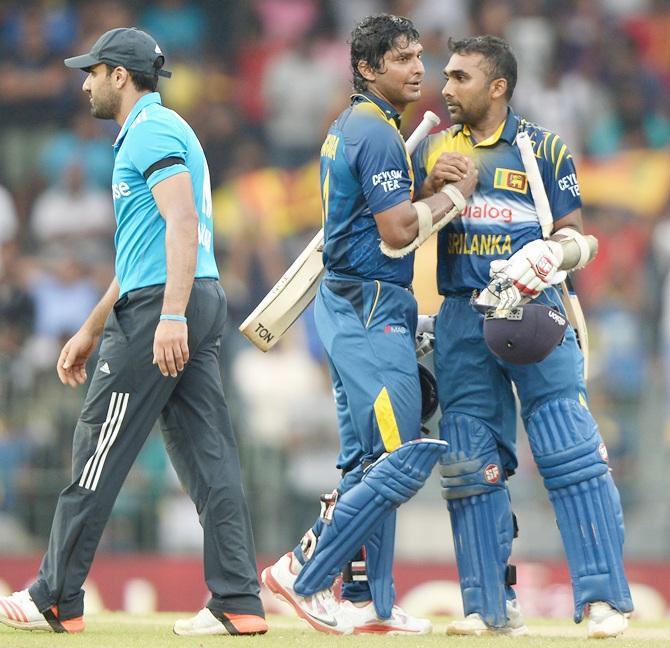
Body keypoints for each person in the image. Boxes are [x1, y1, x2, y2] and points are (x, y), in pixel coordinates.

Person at [0, 27, 267, 637]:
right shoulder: (155, 132)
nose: (85, 82)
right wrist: (92, 327)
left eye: (92, 71)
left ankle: (55, 595)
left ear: (120, 76)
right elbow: (140, 253)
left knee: (97, 451)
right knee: (209, 456)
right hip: (180, 296)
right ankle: (237, 599)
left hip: (162, 309)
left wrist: (169, 315)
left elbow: (179, 223)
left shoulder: (150, 132)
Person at [261, 14, 478, 636]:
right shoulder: (376, 132)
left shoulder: (362, 125)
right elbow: (397, 230)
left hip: (355, 302)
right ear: (367, 68)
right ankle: (301, 571)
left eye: (419, 57)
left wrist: (423, 183)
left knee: (366, 460)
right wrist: (454, 198)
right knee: (397, 453)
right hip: (370, 306)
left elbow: (371, 209)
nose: (419, 68)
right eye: (404, 59)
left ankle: (366, 600)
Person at [411, 35, 633, 639]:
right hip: (461, 317)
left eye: (460, 78)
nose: (447, 87)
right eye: (447, 76)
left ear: (498, 86)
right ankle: (487, 608)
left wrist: (547, 256)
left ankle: (603, 602)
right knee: (467, 463)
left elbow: (580, 240)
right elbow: (396, 229)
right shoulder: (433, 148)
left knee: (570, 453)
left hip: (535, 312)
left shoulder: (543, 148)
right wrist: (428, 187)